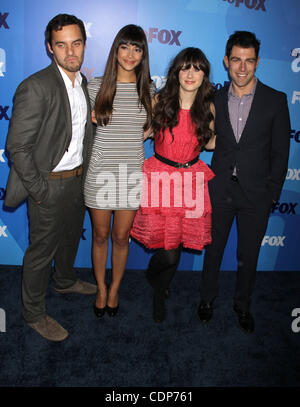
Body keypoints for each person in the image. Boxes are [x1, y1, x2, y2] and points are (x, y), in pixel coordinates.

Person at [4, 14, 96, 342]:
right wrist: (41, 190)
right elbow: (17, 147)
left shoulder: (83, 83)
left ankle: (66, 280)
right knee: (41, 251)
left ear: (84, 44)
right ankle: (33, 313)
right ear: (49, 48)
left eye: (77, 43)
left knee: (71, 238)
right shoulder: (35, 86)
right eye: (62, 44)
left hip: (77, 180)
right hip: (49, 185)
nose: (71, 51)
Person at [198, 31, 291, 333]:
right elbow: (205, 138)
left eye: (248, 61)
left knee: (248, 255)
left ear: (257, 62)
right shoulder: (214, 98)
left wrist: (272, 195)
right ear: (226, 61)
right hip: (220, 188)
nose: (242, 67)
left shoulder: (275, 100)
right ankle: (207, 299)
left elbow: (280, 151)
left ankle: (243, 304)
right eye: (236, 60)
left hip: (256, 195)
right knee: (213, 251)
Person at [131, 47, 216, 323]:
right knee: (167, 253)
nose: (191, 74)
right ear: (176, 72)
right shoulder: (161, 100)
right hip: (161, 178)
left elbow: (211, 142)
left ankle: (161, 284)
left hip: (190, 181)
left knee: (176, 246)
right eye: (185, 67)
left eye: (197, 68)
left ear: (204, 75)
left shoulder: (208, 106)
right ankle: (157, 288)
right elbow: (144, 132)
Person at [84, 24, 155, 318]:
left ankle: (115, 289)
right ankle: (100, 287)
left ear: (143, 54)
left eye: (137, 48)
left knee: (121, 237)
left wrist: (147, 133)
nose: (130, 54)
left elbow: (154, 126)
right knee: (100, 236)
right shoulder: (94, 86)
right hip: (100, 172)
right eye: (125, 47)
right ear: (116, 50)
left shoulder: (149, 90)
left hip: (130, 176)